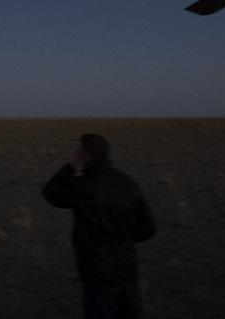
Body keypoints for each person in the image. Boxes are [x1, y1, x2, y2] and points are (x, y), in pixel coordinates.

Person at [42, 133, 156, 319]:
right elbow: (147, 229)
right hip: (127, 270)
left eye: (79, 151)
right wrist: (122, 241)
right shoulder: (129, 185)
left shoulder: (83, 186)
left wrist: (70, 167)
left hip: (97, 272)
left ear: (85, 154)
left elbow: (51, 192)